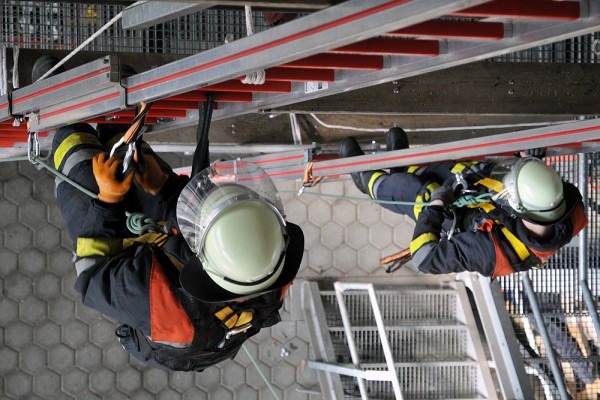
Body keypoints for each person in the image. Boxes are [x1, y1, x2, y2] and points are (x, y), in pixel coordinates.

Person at [51, 121, 305, 371]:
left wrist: (108, 202)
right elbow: (196, 213)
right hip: (183, 257)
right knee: (129, 148)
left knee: (74, 145)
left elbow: (92, 276)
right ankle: (115, 126)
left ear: (203, 262)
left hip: (148, 286)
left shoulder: (159, 304)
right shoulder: (272, 261)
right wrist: (166, 188)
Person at [339, 128, 588, 278]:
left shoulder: (487, 252)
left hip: (452, 216)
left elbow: (424, 259)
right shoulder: (563, 202)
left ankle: (368, 180)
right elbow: (526, 185)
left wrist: (436, 206)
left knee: (416, 192)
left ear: (518, 208)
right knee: (441, 172)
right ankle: (401, 167)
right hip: (476, 192)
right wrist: (529, 160)